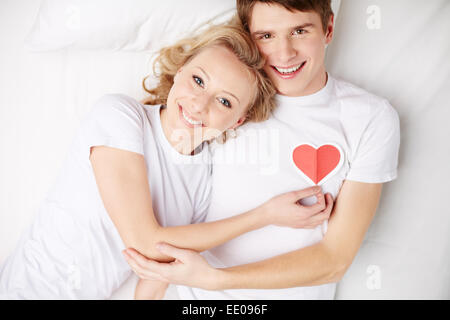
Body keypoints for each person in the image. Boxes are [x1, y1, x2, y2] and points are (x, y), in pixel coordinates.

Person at [0, 22, 333, 300]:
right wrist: (265, 215)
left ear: (237, 122)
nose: (199, 105)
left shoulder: (202, 179)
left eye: (224, 101)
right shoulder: (119, 116)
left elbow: (160, 269)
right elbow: (146, 242)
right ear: (181, 70)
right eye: (198, 80)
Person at [124, 0, 401, 300]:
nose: (284, 53)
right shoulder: (224, 103)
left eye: (299, 31)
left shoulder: (370, 118)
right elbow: (170, 201)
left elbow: (334, 260)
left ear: (328, 29)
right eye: (266, 36)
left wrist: (216, 279)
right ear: (249, 37)